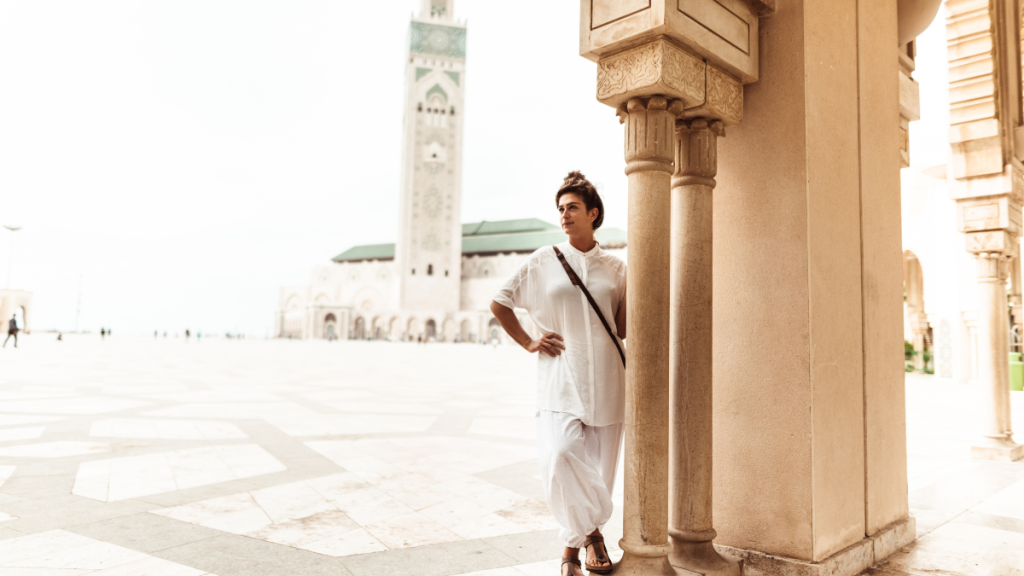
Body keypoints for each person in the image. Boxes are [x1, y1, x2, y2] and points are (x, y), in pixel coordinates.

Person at [490, 171, 626, 576]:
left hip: (606, 375)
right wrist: (530, 342)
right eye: (561, 209)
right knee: (561, 454)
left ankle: (573, 549)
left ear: (593, 213)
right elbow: (500, 303)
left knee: (601, 466)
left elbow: (622, 327)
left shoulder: (616, 268)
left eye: (572, 208)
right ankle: (593, 535)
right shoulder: (543, 260)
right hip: (560, 374)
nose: (564, 215)